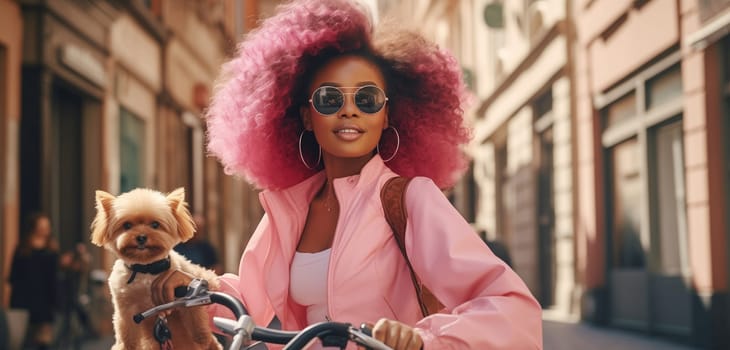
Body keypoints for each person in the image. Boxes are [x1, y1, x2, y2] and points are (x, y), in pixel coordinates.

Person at [151, 0, 543, 349]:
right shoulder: (291, 206)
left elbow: (511, 306)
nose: (350, 110)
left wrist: (424, 339)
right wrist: (188, 286)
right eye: (330, 98)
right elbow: (244, 295)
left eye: (367, 99)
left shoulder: (409, 198)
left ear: (387, 114)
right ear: (305, 114)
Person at [8, 213, 60, 350]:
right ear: (34, 228)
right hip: (23, 303)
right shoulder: (22, 249)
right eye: (41, 226)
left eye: (47, 226)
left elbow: (53, 280)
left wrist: (55, 303)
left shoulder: (51, 251)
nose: (45, 229)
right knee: (22, 342)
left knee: (43, 343)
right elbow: (13, 278)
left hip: (44, 305)